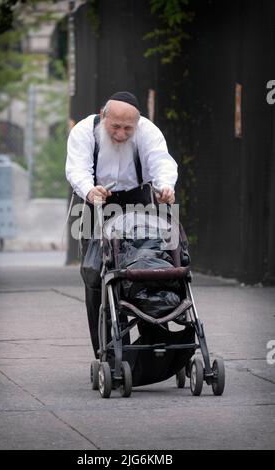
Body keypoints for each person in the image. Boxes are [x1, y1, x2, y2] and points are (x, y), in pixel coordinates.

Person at [65, 91, 178, 358]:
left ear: (137, 123)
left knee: (146, 266)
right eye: (115, 126)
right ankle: (104, 351)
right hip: (95, 199)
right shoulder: (84, 130)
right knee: (96, 273)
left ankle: (152, 342)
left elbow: (161, 162)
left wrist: (166, 187)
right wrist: (90, 190)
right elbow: (76, 169)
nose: (120, 133)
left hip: (137, 200)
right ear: (104, 116)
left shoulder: (147, 131)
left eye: (128, 128)